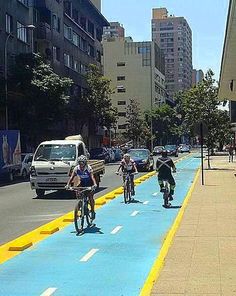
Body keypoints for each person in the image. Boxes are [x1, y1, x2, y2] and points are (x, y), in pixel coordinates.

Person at [66, 155, 97, 220]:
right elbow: (71, 177)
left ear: (85, 163)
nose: (81, 164)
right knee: (78, 192)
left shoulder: (88, 168)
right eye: (79, 162)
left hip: (90, 183)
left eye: (82, 163)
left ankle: (93, 211)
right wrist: (68, 185)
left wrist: (94, 184)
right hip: (82, 182)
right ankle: (80, 206)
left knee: (90, 196)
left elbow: (92, 177)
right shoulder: (76, 168)